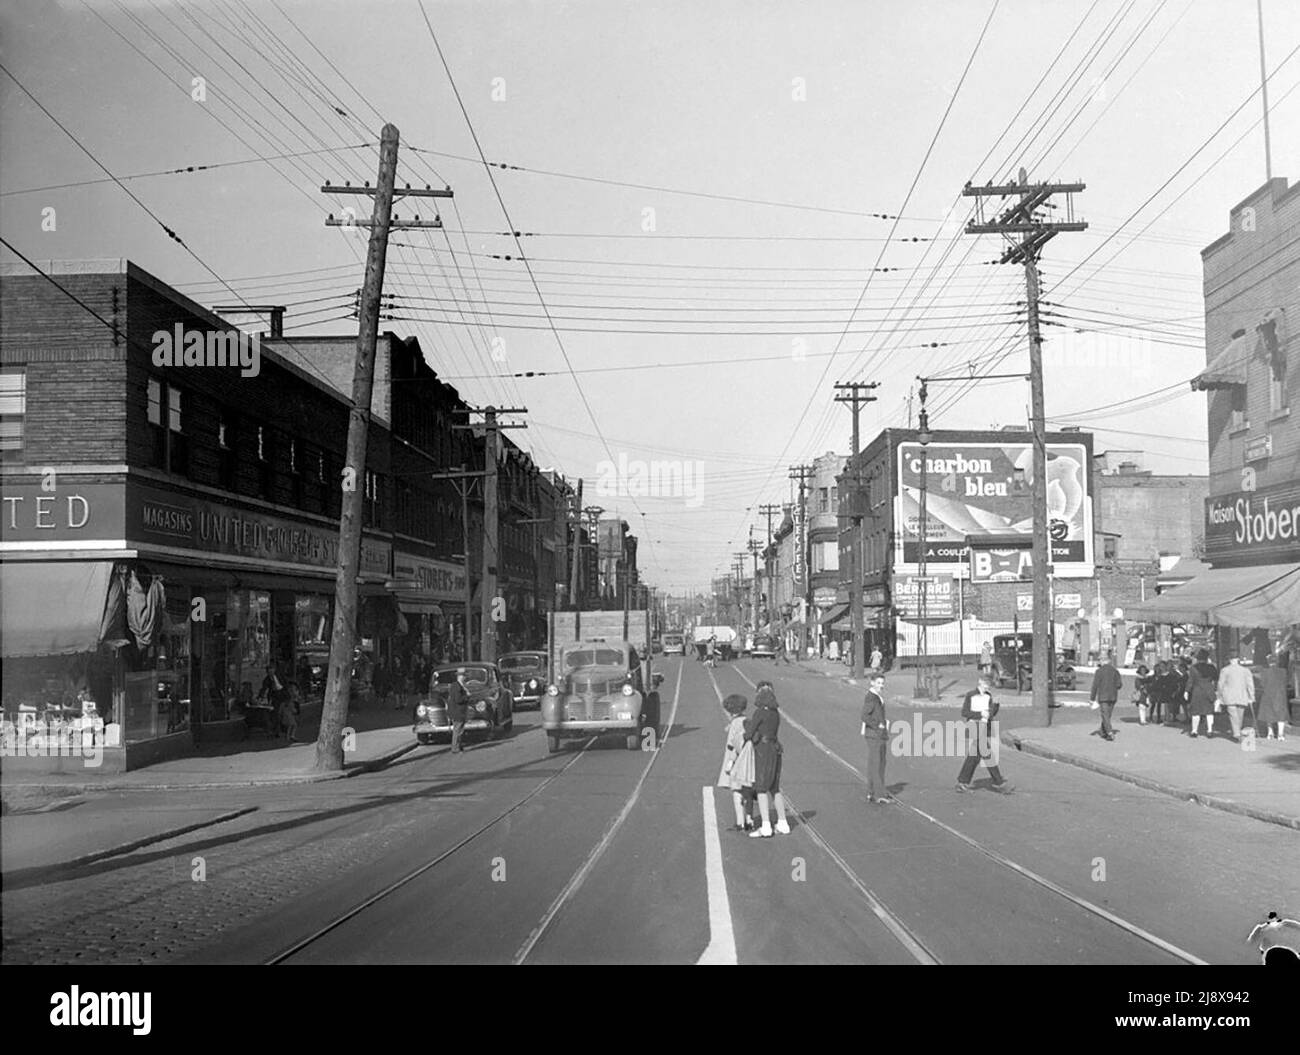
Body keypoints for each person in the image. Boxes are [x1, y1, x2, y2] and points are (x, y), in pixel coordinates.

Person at [745, 682, 791, 837]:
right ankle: (783, 822)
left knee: (761, 788)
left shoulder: (759, 712)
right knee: (774, 788)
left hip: (763, 751)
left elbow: (750, 733)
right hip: (775, 748)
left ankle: (765, 825)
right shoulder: (775, 713)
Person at [955, 675, 1013, 793]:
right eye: (985, 685)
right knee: (986, 753)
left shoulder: (988, 696)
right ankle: (999, 783)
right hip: (974, 726)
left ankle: (962, 782)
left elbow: (991, 714)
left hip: (984, 727)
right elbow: (965, 712)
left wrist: (996, 705)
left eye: (988, 685)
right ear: (980, 683)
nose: (987, 688)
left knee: (974, 757)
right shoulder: (971, 695)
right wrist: (981, 714)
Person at [717, 693, 757, 830]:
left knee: (736, 791)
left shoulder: (734, 723)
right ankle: (750, 819)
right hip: (748, 762)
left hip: (736, 762)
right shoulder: (747, 720)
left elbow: (731, 744)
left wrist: (729, 762)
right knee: (747, 791)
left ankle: (740, 821)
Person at [860, 673, 893, 803]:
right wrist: (877, 725)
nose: (881, 686)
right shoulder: (871, 698)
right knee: (878, 763)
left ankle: (872, 791)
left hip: (876, 734)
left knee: (875, 762)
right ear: (872, 683)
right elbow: (864, 716)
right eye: (878, 683)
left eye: (882, 683)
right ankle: (879, 794)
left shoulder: (875, 696)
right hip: (875, 735)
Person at [1217, 653, 1255, 743]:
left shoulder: (1225, 670)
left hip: (1229, 696)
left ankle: (1237, 733)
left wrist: (1219, 695)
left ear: (1230, 660)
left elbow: (1220, 684)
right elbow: (1250, 684)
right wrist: (1251, 696)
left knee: (1233, 715)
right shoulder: (1246, 670)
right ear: (1238, 659)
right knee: (1239, 716)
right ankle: (1238, 732)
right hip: (1242, 695)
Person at [1186, 649, 1219, 739]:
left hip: (1197, 691)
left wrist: (1186, 691)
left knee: (1196, 712)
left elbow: (1190, 681)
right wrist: (1216, 690)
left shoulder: (1193, 668)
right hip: (1209, 690)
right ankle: (1210, 730)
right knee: (1209, 712)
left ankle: (1194, 731)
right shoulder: (1211, 667)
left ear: (1197, 658)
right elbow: (1216, 679)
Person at [1090, 652, 1123, 741]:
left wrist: (1092, 699)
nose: (1099, 662)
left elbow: (1095, 686)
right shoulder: (1115, 671)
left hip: (1103, 696)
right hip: (1113, 696)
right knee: (1107, 715)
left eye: (1099, 660)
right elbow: (1119, 685)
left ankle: (1109, 732)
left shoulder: (1099, 671)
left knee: (1105, 715)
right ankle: (1103, 731)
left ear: (1102, 660)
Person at [1256, 653, 1289, 741]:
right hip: (1280, 696)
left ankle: (1270, 734)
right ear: (1277, 661)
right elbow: (1286, 682)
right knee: (1281, 715)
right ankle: (1280, 734)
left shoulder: (1265, 672)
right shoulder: (1283, 671)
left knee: (1269, 715)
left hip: (1268, 695)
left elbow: (1262, 684)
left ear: (1268, 662)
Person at [446, 668, 470, 752]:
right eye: (464, 676)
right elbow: (458, 699)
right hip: (457, 712)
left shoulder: (459, 686)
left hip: (460, 711)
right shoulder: (456, 686)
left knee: (460, 730)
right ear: (460, 676)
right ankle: (455, 747)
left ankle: (459, 746)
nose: (465, 678)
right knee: (458, 730)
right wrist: (467, 696)